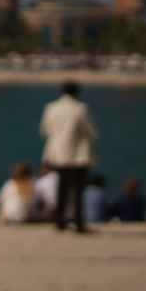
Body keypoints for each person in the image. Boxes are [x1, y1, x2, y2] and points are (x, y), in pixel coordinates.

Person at [39, 81, 97, 232]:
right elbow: (90, 131)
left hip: (57, 153)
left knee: (61, 187)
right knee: (78, 189)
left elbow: (44, 130)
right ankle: (78, 222)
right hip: (78, 154)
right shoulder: (81, 108)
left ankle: (60, 221)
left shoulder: (51, 108)